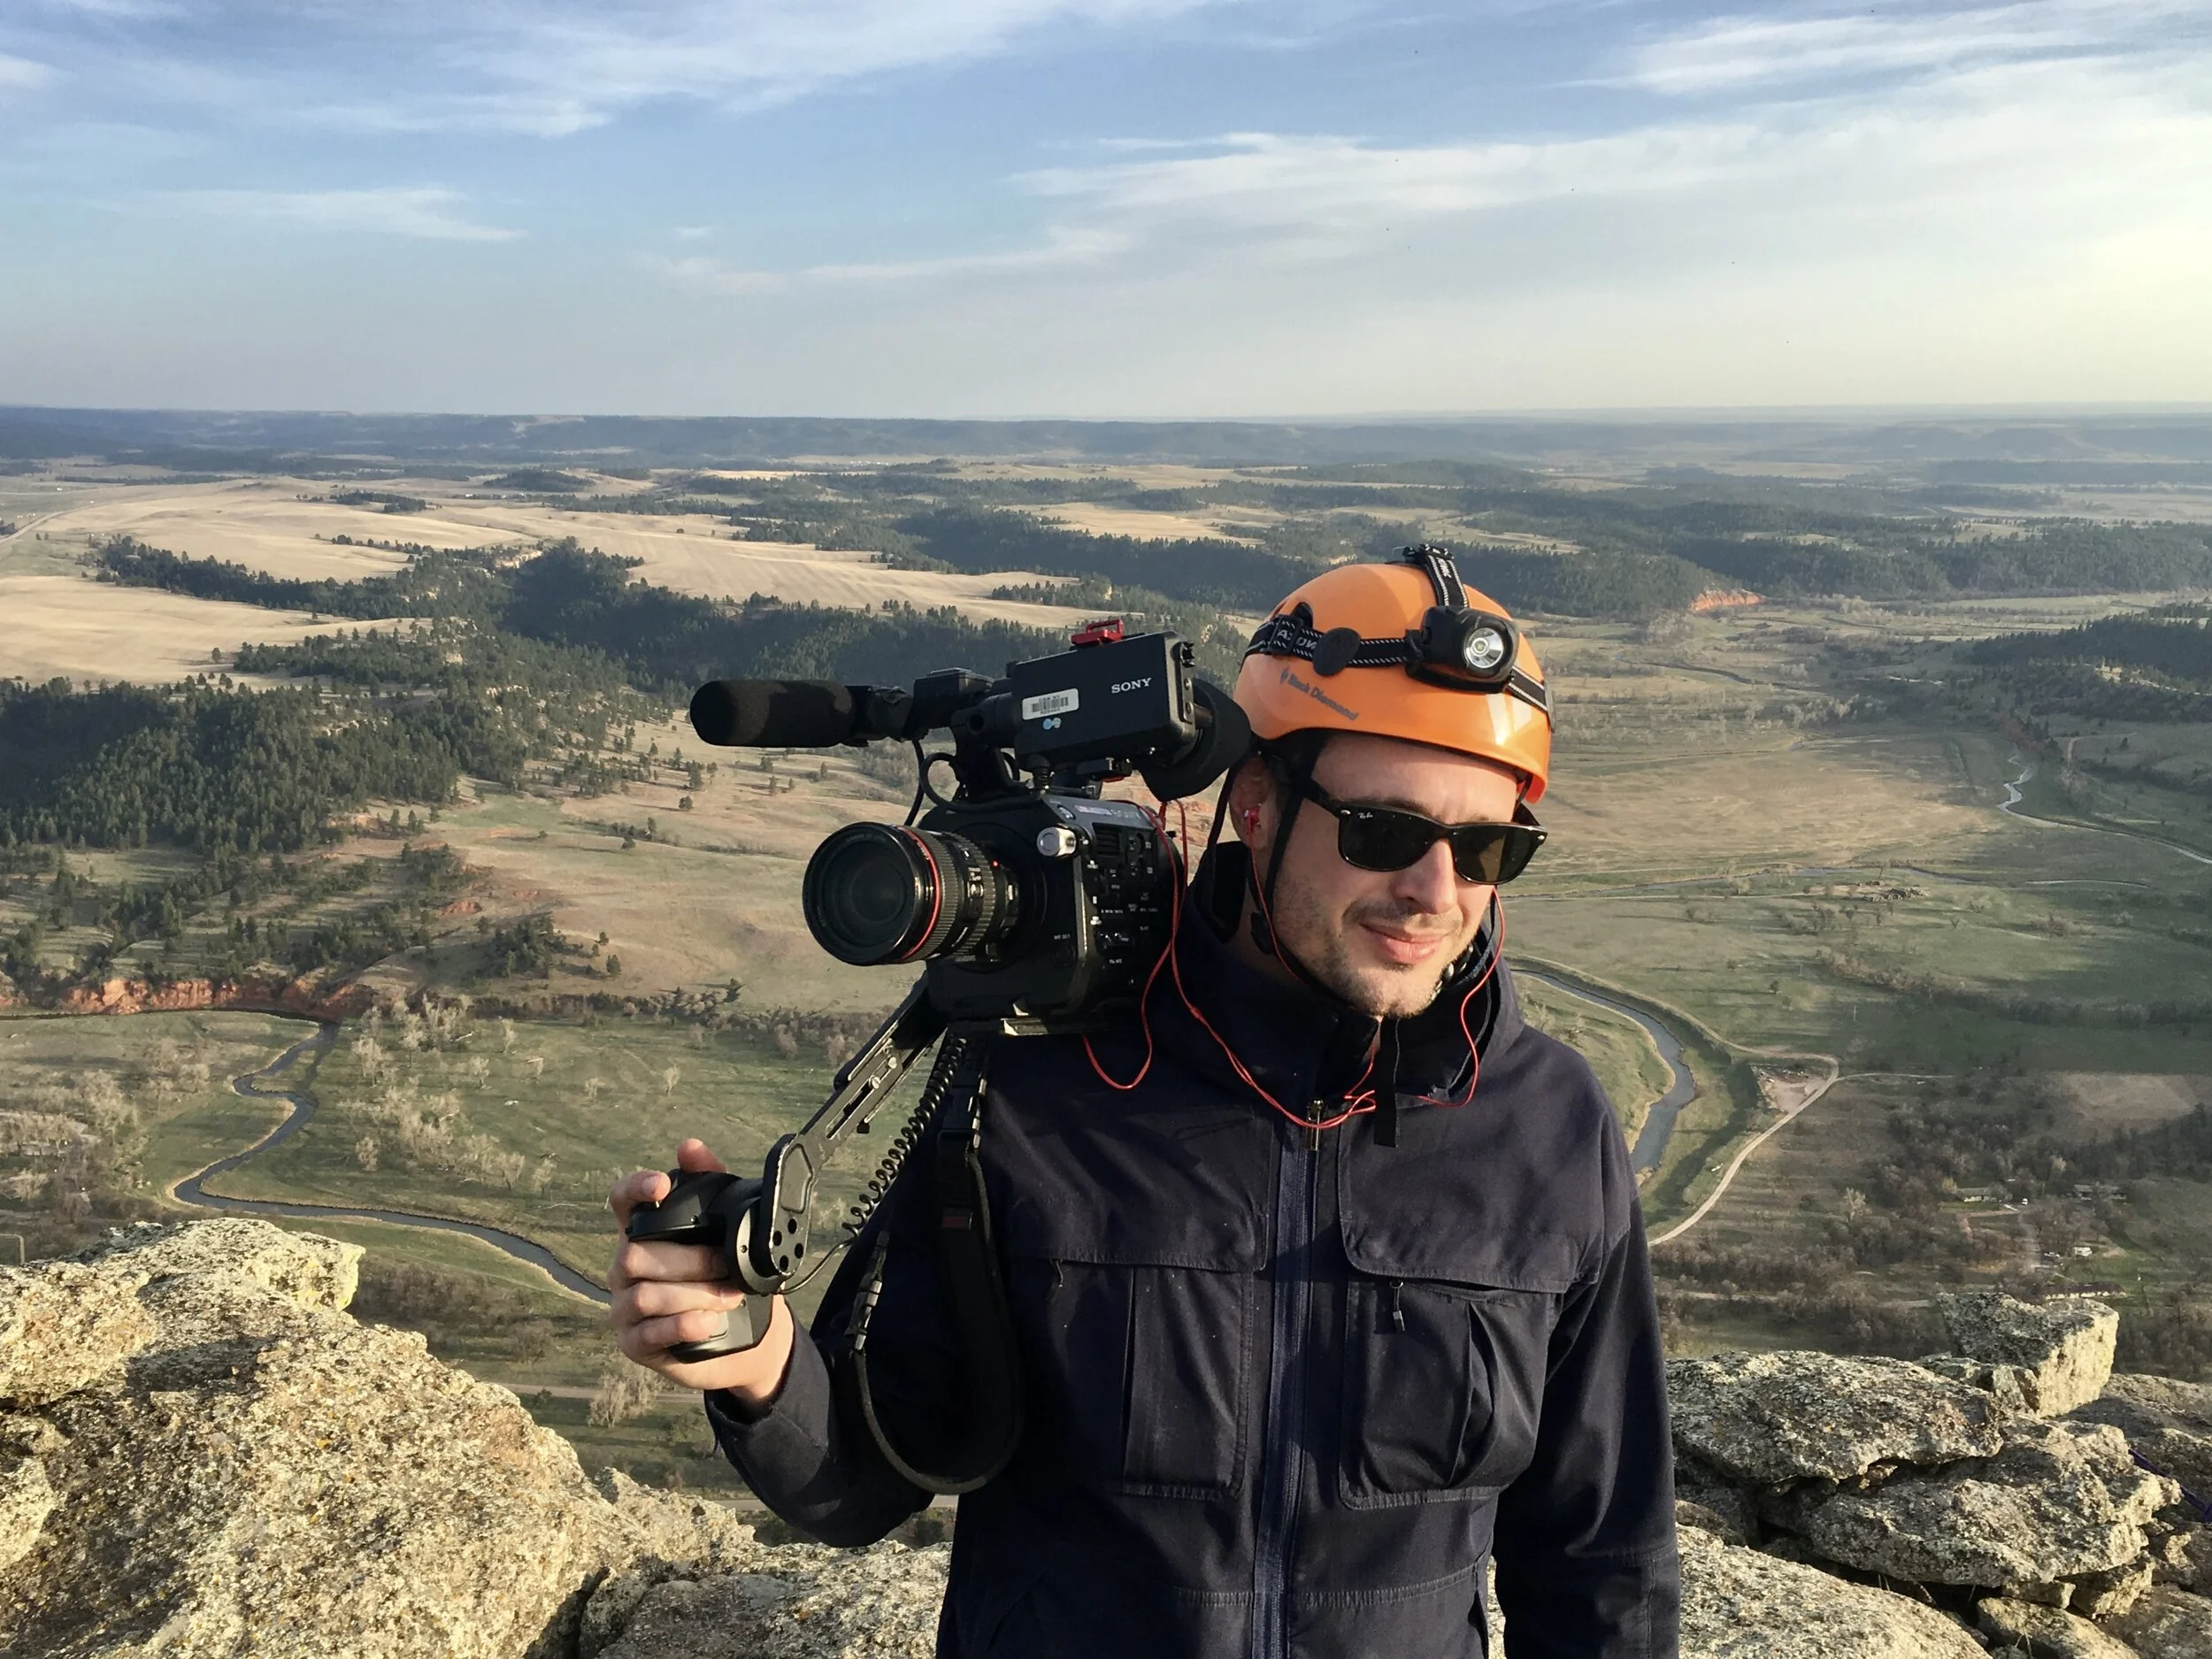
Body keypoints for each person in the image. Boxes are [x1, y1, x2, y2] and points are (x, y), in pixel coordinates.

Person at [609, 547, 1679, 1658]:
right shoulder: (1043, 1074)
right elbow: (866, 1480)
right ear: (1255, 807)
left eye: (1490, 848)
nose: (1435, 890)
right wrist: (755, 1362)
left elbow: (1601, 1556)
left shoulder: (1546, 1127)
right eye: (1385, 834)